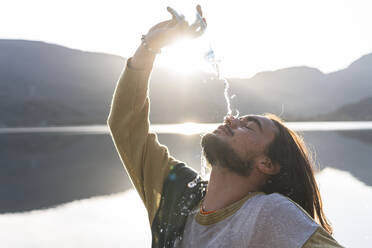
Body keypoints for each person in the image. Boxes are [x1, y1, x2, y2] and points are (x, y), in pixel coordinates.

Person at [107, 5, 344, 248]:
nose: (231, 119)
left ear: (267, 164)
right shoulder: (177, 193)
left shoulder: (269, 214)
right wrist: (149, 47)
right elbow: (126, 126)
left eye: (248, 126)